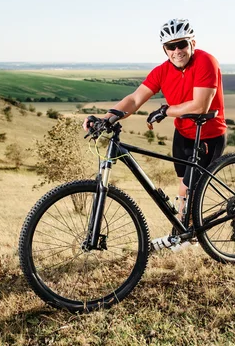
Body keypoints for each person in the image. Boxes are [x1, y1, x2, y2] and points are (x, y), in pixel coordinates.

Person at [83, 18, 226, 223]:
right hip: (183, 133)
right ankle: (185, 228)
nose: (177, 51)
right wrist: (106, 118)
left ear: (192, 44)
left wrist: (166, 110)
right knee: (183, 187)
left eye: (182, 44)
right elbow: (134, 99)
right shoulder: (162, 71)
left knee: (189, 188)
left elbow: (200, 105)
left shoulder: (206, 61)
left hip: (208, 134)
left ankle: (187, 234)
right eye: (170, 46)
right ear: (164, 49)